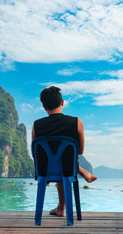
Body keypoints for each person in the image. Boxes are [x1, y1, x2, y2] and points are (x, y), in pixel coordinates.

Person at [31, 86, 97, 217]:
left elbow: (35, 154)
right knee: (65, 160)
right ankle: (82, 173)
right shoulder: (77, 122)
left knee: (57, 160)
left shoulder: (36, 125)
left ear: (44, 107)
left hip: (44, 170)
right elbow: (80, 150)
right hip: (68, 168)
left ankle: (61, 208)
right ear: (62, 102)